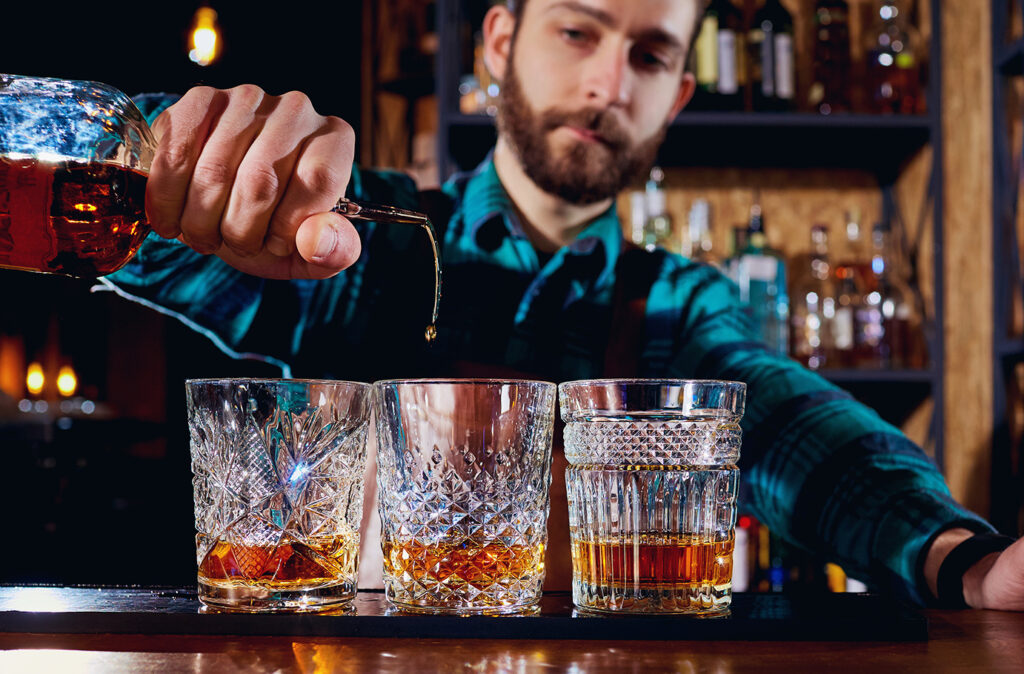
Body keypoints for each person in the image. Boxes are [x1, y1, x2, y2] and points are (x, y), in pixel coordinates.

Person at [102, 0, 1022, 609]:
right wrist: (173, 171)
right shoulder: (361, 242)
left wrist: (961, 561)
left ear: (678, 97)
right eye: (578, 32)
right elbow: (140, 238)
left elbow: (795, 430)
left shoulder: (676, 308)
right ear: (499, 43)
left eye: (651, 55)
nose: (609, 85)